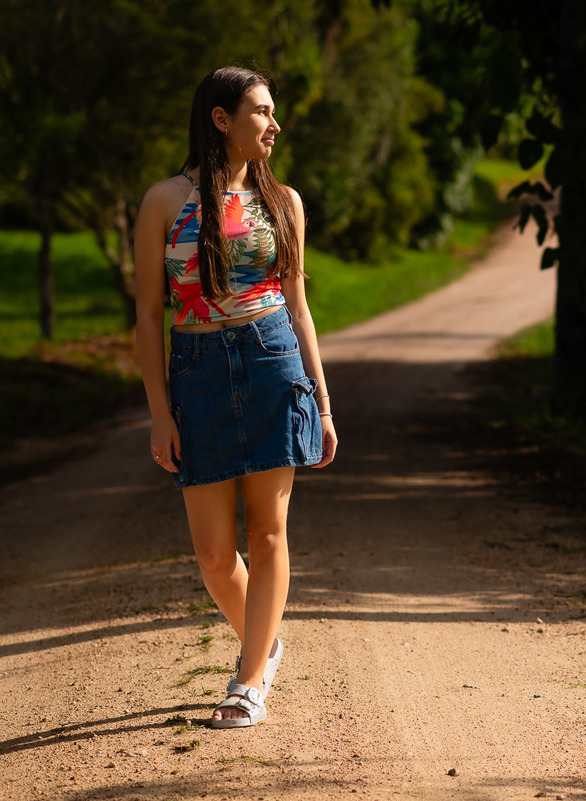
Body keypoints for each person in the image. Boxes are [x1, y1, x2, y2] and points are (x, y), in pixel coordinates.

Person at [133, 66, 337, 729]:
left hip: (273, 356)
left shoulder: (286, 203)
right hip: (197, 368)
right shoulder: (165, 201)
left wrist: (324, 404)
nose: (274, 125)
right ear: (221, 119)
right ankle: (264, 640)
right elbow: (146, 316)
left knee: (270, 531)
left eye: (273, 113)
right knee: (216, 554)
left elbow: (301, 310)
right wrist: (160, 412)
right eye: (262, 111)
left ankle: (248, 681)